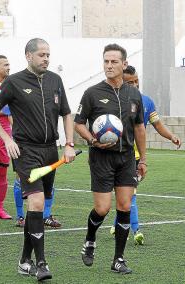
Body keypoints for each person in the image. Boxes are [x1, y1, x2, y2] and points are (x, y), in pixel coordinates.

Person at [0, 38, 75, 281]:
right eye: (41, 54)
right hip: (26, 151)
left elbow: (67, 114)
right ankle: (41, 263)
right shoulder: (13, 82)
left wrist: (69, 143)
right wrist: (7, 139)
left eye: (48, 54)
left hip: (50, 150)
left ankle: (23, 261)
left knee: (35, 208)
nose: (46, 58)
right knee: (37, 202)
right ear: (28, 56)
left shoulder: (55, 80)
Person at [74, 44, 147, 274]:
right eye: (106, 61)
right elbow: (78, 124)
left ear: (124, 64)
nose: (109, 65)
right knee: (103, 208)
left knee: (124, 206)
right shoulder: (92, 93)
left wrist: (142, 159)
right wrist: (92, 140)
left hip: (126, 158)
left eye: (114, 62)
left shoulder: (134, 94)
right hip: (101, 158)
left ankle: (118, 259)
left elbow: (140, 128)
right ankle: (90, 240)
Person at [110, 65, 181, 244]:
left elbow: (157, 124)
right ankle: (127, 226)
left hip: (134, 157)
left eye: (136, 81)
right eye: (130, 82)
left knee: (129, 193)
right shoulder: (113, 101)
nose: (134, 85)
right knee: (125, 193)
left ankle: (127, 226)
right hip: (114, 154)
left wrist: (171, 136)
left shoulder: (147, 101)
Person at [0, 55, 12, 219]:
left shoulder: (9, 86)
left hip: (6, 135)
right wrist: (7, 109)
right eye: (5, 64)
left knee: (2, 173)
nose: (9, 67)